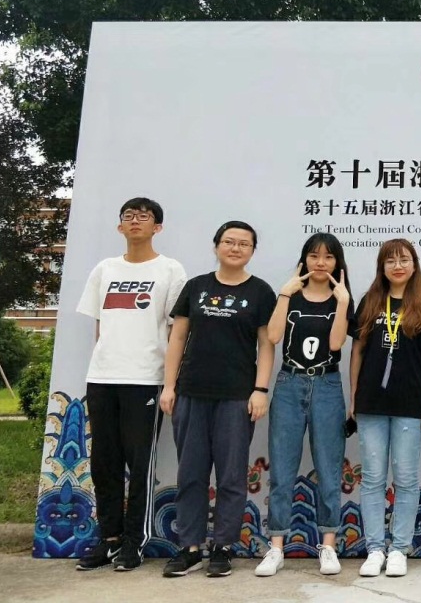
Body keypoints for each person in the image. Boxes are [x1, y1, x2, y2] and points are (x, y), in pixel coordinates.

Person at [74, 197, 187, 572]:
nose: (135, 221)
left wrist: (169, 382)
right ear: (119, 226)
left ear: (158, 227)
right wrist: (105, 363)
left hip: (145, 379)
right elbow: (100, 325)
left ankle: (133, 542)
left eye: (144, 216)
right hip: (102, 378)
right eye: (129, 216)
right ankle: (108, 539)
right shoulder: (104, 269)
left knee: (140, 465)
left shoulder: (170, 270)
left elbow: (176, 331)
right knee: (104, 463)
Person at [159, 221, 277, 578]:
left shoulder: (260, 292)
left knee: (231, 477)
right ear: (216, 246)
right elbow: (177, 338)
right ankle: (190, 547)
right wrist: (169, 386)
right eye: (229, 241)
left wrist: (260, 390)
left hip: (236, 397)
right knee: (191, 474)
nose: (235, 248)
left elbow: (266, 345)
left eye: (244, 243)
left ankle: (223, 547)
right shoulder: (196, 287)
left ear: (252, 251)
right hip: (191, 393)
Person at [254, 233, 354, 578]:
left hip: (327, 384)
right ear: (304, 260)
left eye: (328, 257)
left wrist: (343, 303)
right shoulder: (290, 295)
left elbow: (337, 343)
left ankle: (328, 544)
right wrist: (285, 293)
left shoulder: (342, 298)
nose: (320, 263)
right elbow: (273, 336)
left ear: (337, 262)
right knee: (282, 468)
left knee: (329, 467)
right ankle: (276, 546)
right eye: (314, 256)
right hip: (289, 383)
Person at [348, 239, 421, 578]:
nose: (398, 266)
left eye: (404, 260)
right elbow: (357, 352)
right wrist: (354, 397)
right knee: (373, 478)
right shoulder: (371, 301)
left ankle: (400, 548)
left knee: (405, 478)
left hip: (410, 404)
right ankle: (375, 548)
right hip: (371, 404)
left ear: (414, 265)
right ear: (382, 267)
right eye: (390, 261)